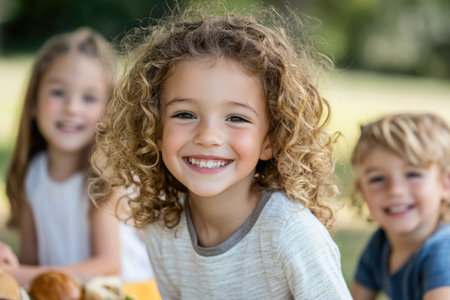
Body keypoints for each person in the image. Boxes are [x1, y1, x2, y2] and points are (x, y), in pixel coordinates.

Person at [89, 6, 351, 299]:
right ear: (154, 128)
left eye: (236, 118)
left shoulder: (291, 233)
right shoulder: (162, 228)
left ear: (271, 140)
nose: (208, 137)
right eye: (185, 114)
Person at [0, 28, 154, 290]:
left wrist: (16, 275)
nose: (72, 107)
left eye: (89, 98)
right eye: (58, 93)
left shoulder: (104, 177)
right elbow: (30, 263)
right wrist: (10, 265)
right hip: (65, 293)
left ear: (107, 111)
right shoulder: (33, 175)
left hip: (126, 291)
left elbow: (108, 265)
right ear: (34, 102)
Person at [349, 113, 450, 300]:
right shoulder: (380, 244)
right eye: (377, 179)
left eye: (413, 174)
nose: (395, 190)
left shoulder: (444, 251)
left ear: (445, 184)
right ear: (362, 191)